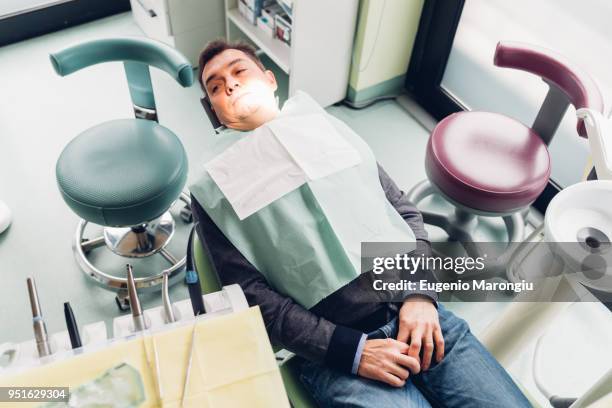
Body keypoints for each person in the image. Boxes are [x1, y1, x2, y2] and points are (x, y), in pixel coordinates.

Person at [190, 39, 531, 407]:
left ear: (270, 80)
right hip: (332, 354)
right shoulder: (212, 188)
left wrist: (420, 296)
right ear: (215, 111)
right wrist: (352, 352)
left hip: (414, 311)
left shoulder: (323, 127)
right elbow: (251, 297)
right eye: (215, 85)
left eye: (239, 71)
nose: (230, 84)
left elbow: (404, 211)